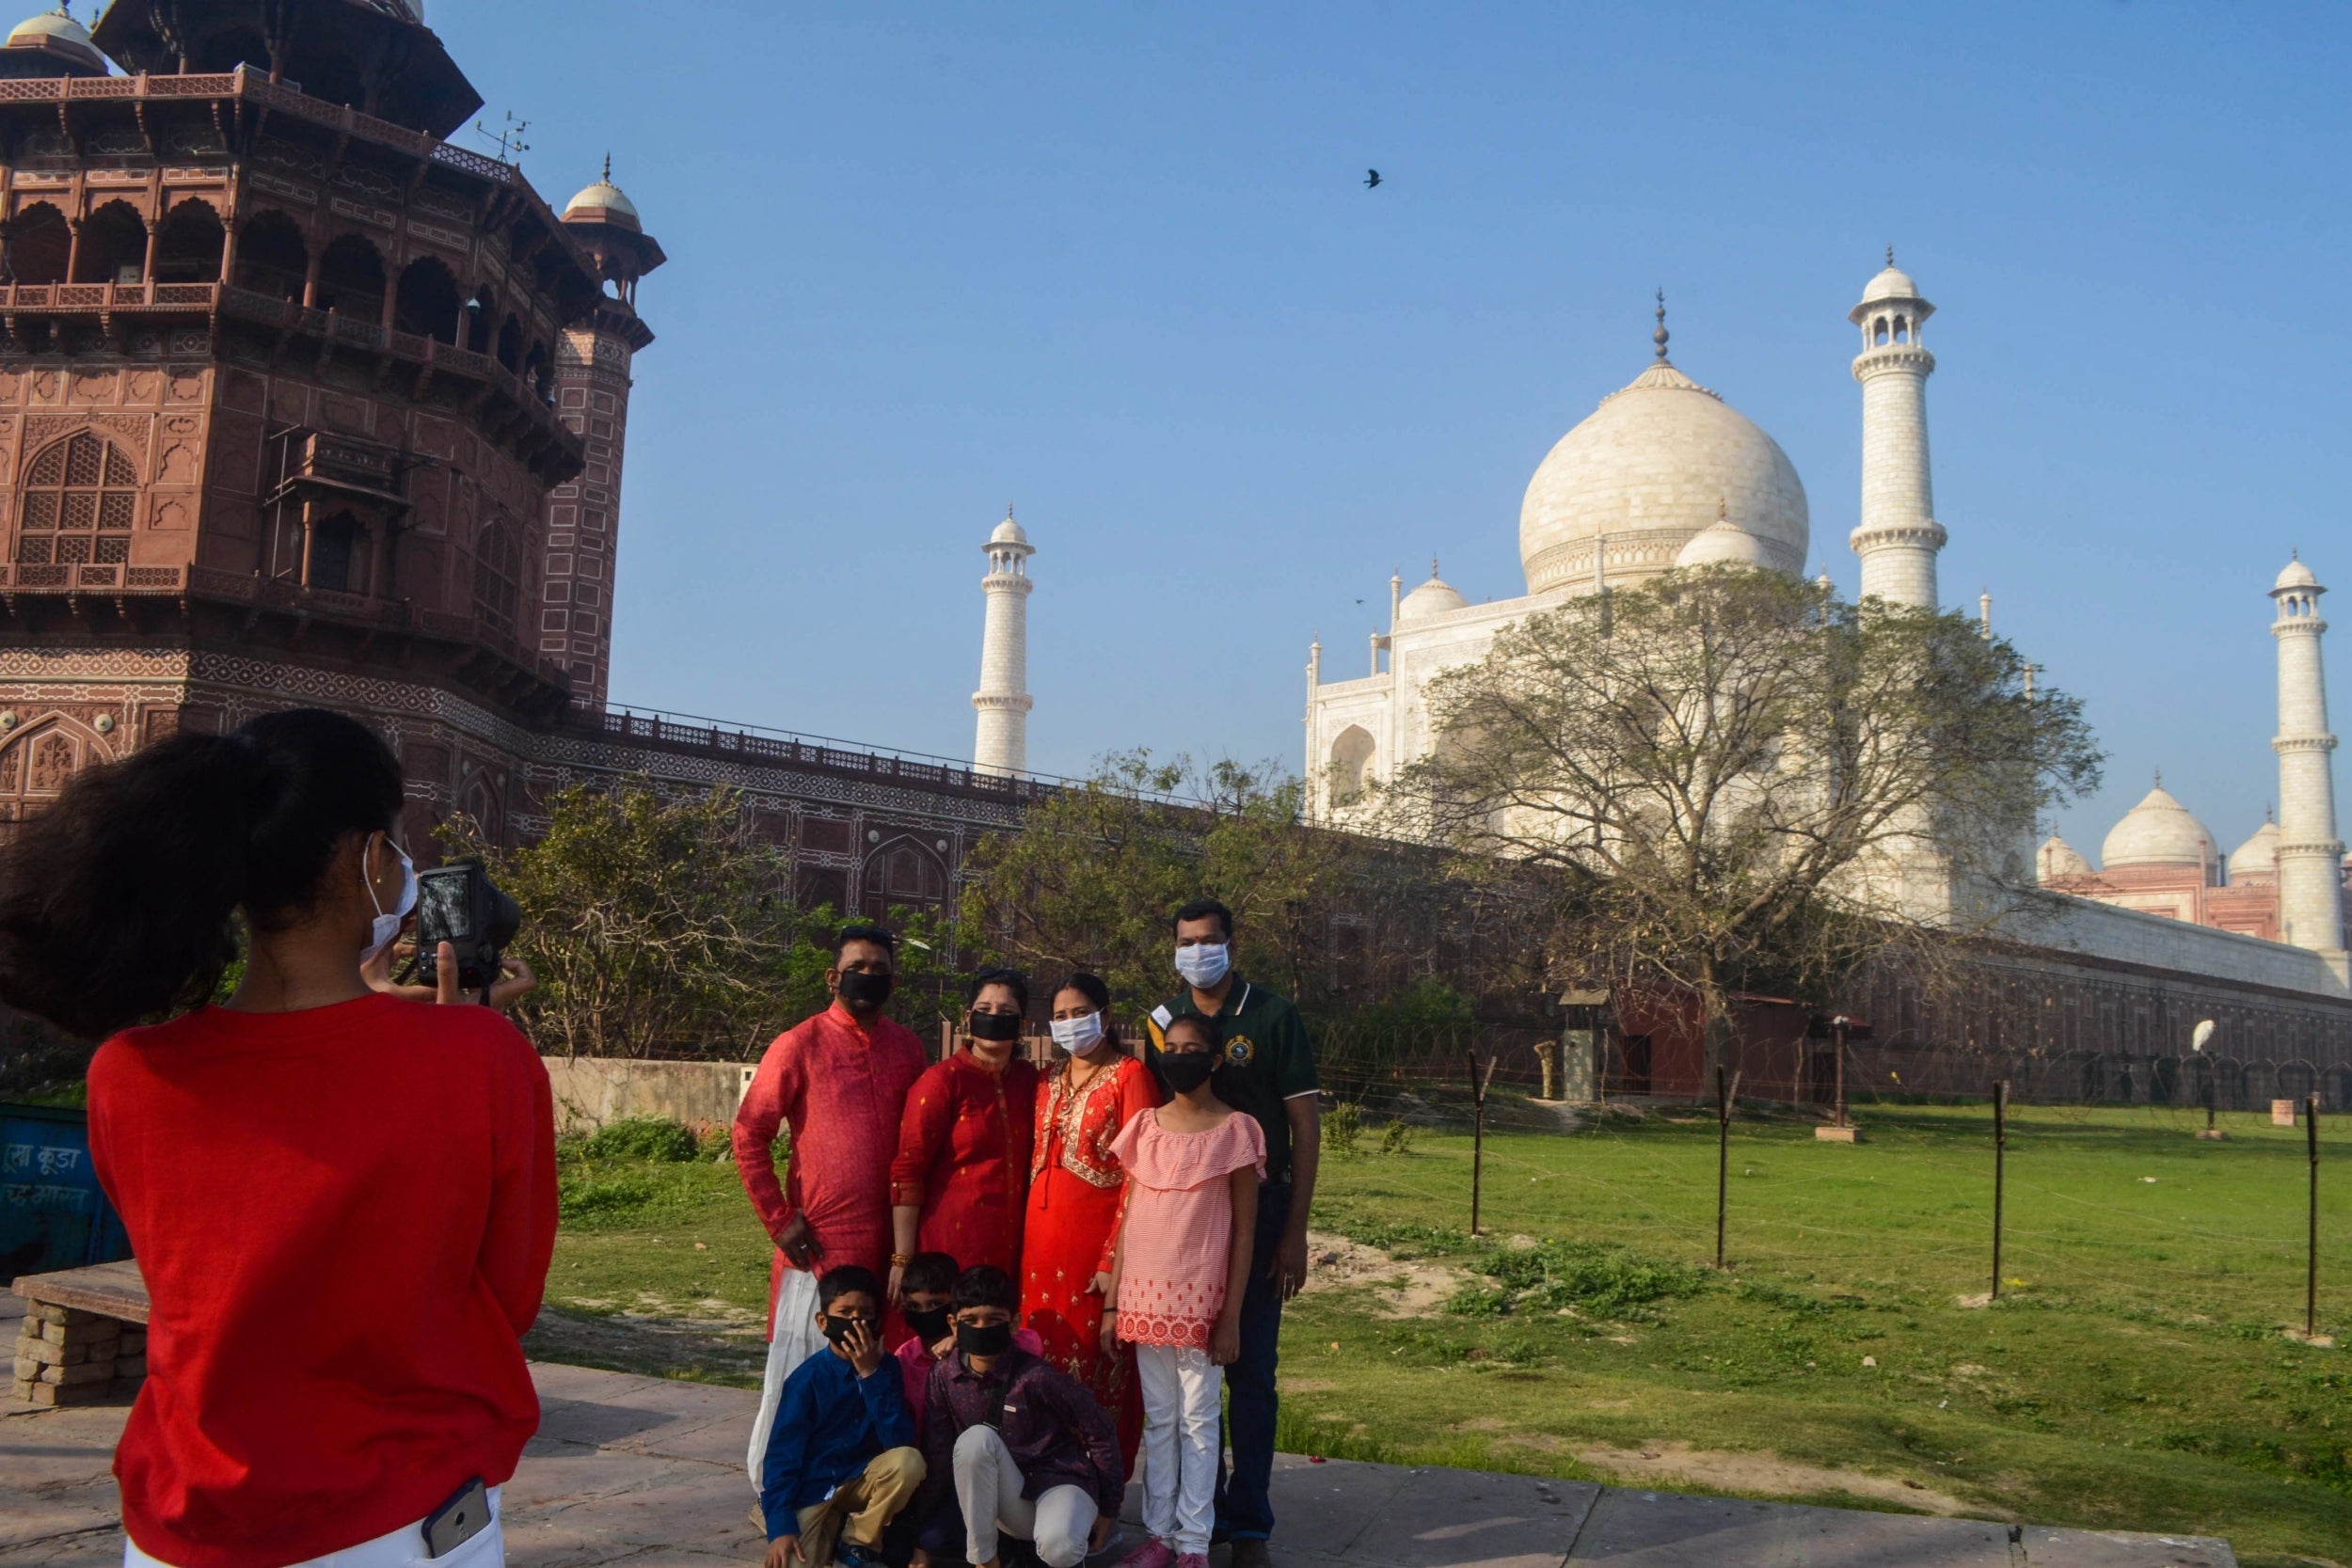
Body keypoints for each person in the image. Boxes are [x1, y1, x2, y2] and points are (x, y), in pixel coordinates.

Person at [0, 708, 550, 1568]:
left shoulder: (130, 1072)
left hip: (181, 1525)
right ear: (372, 861)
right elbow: (506, 1297)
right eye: (395, 847)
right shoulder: (482, 1059)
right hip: (393, 1525)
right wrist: (449, 1039)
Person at [1142, 897, 1320, 1568]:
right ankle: (1196, 1517)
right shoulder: (1164, 1021)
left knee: (1248, 1370)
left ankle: (1249, 1526)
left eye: (1208, 940)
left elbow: (1304, 1126)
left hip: (1259, 1209)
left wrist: (1295, 1230)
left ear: (1231, 943)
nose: (1198, 951)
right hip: (1182, 1217)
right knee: (1185, 1382)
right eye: (1186, 941)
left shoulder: (1272, 1015)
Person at [735, 923, 929, 1492]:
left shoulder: (907, 1047)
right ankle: (779, 1495)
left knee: (875, 1374)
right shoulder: (800, 1043)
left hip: (886, 1249)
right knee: (802, 1377)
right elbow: (750, 1133)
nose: (869, 977)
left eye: (880, 969)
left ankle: (857, 1494)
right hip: (816, 1248)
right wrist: (779, 1218)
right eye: (858, 966)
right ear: (832, 976)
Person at [1106, 1016, 1264, 1568]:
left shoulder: (1237, 1130)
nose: (1179, 1058)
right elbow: (1128, 1216)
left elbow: (1245, 1231)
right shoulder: (1145, 1127)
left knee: (1200, 1420)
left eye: (1191, 1050)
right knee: (1161, 1418)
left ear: (1215, 1060)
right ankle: (1158, 1534)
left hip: (1202, 1300)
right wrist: (1113, 1300)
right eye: (1170, 1049)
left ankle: (1194, 1542)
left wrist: (1232, 1316)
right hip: (1144, 1299)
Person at [1020, 972, 1159, 1473]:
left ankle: (1100, 1489)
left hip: (1095, 1253)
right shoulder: (1046, 1080)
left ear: (1104, 1013)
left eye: (1080, 1012)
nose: (1070, 1023)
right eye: (1059, 1016)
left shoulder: (1130, 1077)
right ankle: (1042, 1481)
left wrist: (1112, 1262)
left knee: (1098, 1370)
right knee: (1040, 1361)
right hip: (1037, 1253)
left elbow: (1140, 1177)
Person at [918, 1266, 1125, 1568]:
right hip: (1009, 1499)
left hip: (1061, 1482)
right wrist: (917, 1530)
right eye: (970, 1320)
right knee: (974, 1441)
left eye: (994, 1320)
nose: (981, 1327)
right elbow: (939, 1454)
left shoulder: (1036, 1377)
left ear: (1014, 1324)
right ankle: (986, 1560)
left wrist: (1109, 1510)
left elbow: (1100, 1429)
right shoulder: (944, 1376)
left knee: (1060, 1547)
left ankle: (1060, 1549)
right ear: (953, 1324)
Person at [759, 1265, 927, 1568]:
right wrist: (781, 1526)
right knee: (795, 1561)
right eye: (845, 1312)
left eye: (864, 1313)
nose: (854, 1321)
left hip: (862, 1480)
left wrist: (869, 1375)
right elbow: (782, 1457)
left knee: (909, 1462)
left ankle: (858, 1541)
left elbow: (900, 1440)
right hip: (815, 1486)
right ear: (823, 1321)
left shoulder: (887, 1368)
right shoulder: (806, 1380)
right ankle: (782, 1515)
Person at [889, 967, 1040, 1292]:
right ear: (967, 1016)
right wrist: (903, 1258)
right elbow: (907, 1171)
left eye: (1007, 1011)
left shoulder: (1030, 1081)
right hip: (949, 1240)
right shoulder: (943, 1080)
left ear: (1022, 1025)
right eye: (984, 1010)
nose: (995, 1017)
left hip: (1014, 1243)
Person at [894, 1250, 1041, 1443]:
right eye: (914, 1307)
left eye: (935, 1303)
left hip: (1005, 1449)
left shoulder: (984, 1340)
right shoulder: (904, 1358)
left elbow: (1031, 1342)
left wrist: (968, 1341)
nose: (925, 1313)